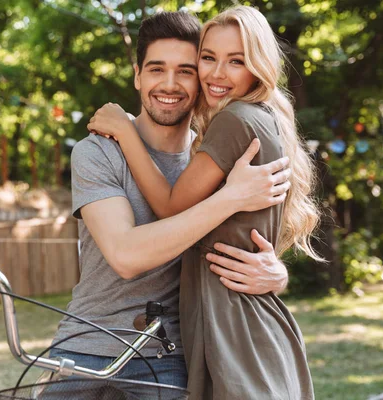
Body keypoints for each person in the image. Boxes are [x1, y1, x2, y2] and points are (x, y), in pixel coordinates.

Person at [87, 6, 322, 399]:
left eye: (236, 61)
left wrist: (125, 132)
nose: (217, 73)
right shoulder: (261, 119)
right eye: (208, 58)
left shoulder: (236, 120)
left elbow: (170, 206)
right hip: (238, 318)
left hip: (232, 324)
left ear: (258, 66)